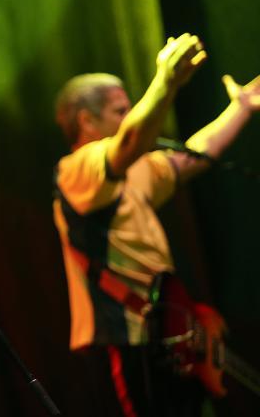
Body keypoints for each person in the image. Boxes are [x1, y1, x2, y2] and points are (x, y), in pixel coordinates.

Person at [53, 33, 260, 416]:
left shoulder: (136, 169)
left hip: (165, 335)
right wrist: (165, 82)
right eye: (120, 111)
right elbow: (132, 137)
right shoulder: (78, 169)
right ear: (87, 120)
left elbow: (192, 158)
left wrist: (241, 108)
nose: (132, 116)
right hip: (125, 340)